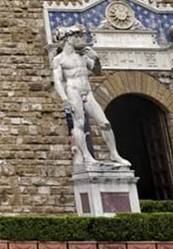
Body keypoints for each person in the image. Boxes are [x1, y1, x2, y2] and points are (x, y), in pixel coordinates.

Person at [51, 25, 130, 167]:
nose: (79, 39)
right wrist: (65, 99)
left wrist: (96, 58)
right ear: (67, 39)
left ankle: (114, 154)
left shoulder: (83, 56)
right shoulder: (59, 59)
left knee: (105, 123)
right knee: (79, 123)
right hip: (73, 90)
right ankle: (87, 156)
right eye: (76, 37)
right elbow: (57, 81)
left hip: (87, 91)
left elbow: (97, 72)